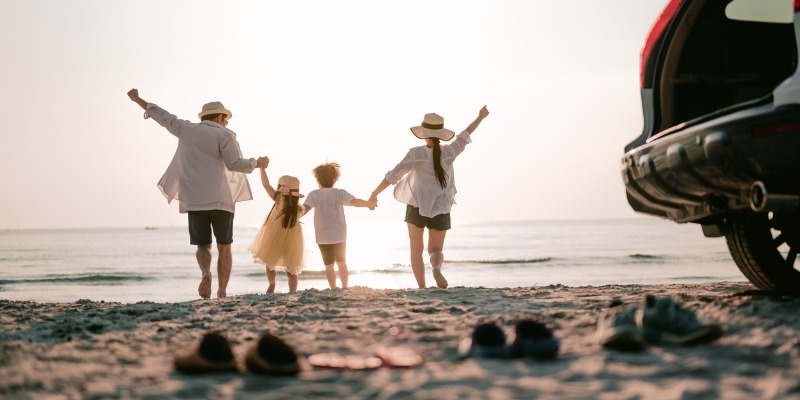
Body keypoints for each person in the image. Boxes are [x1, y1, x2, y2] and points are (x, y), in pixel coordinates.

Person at [126, 89, 268, 299]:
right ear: (219, 117)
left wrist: (138, 99)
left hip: (194, 199)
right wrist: (257, 163)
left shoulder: (185, 129)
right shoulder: (225, 135)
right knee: (224, 246)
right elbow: (234, 164)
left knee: (203, 245)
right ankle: (221, 291)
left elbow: (162, 117)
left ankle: (205, 273)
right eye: (226, 119)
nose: (227, 123)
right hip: (221, 199)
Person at [369, 106, 490, 288]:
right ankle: (436, 269)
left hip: (416, 205)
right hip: (441, 206)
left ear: (424, 133)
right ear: (440, 134)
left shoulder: (416, 153)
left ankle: (422, 287)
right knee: (436, 250)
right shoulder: (450, 152)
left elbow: (393, 175)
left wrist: (374, 194)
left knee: (416, 250)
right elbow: (465, 135)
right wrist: (480, 117)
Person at [302, 162, 376, 289]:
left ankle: (333, 288)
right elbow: (355, 202)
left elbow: (305, 208)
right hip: (340, 235)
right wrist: (368, 204)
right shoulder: (339, 193)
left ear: (318, 179)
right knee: (342, 263)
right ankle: (345, 286)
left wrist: (294, 216)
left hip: (323, 236)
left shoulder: (314, 194)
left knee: (329, 265)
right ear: (334, 179)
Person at [249, 166, 305, 293]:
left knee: (270, 260)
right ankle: (292, 291)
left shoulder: (278, 199)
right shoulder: (298, 208)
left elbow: (265, 184)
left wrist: (262, 168)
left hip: (274, 234)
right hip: (292, 237)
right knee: (292, 267)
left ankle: (272, 283)